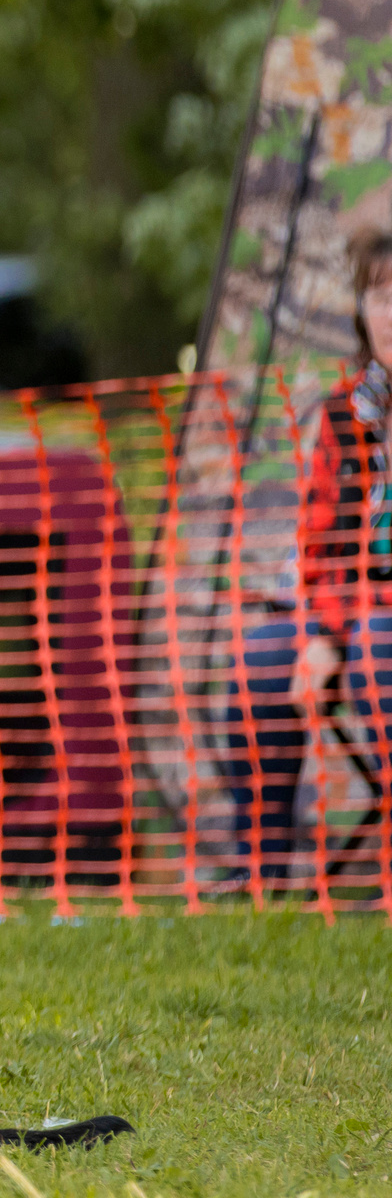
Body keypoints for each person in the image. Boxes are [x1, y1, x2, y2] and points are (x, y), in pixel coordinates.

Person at [231, 229, 392, 883]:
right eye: (380, 297)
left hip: (374, 623)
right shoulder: (344, 414)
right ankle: (262, 870)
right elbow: (320, 547)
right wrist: (326, 630)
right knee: (261, 657)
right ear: (362, 312)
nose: (391, 314)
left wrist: (346, 626)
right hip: (352, 612)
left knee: (377, 645)